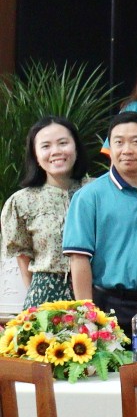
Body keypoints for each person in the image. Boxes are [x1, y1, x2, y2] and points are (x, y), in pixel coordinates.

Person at [63, 112, 137, 344]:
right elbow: (79, 260)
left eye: (136, 142)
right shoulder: (89, 196)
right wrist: (87, 316)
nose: (126, 149)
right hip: (111, 306)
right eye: (118, 142)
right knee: (115, 376)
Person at [3, 117, 88, 307]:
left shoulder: (97, 191)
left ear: (76, 147)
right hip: (45, 296)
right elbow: (23, 260)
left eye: (63, 143)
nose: (56, 151)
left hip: (96, 292)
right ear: (35, 155)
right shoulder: (21, 201)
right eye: (46, 146)